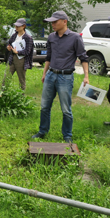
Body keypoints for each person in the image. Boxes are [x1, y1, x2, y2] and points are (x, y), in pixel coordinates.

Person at [31, 11, 89, 143]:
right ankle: (42, 131)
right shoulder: (51, 37)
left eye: (55, 22)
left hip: (66, 77)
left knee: (66, 109)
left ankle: (67, 135)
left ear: (64, 21)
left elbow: (83, 57)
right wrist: (45, 73)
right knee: (45, 106)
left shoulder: (75, 38)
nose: (52, 24)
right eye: (51, 22)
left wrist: (86, 76)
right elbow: (49, 57)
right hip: (51, 74)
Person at [4, 18, 34, 90]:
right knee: (6, 77)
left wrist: (18, 52)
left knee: (21, 80)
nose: (16, 27)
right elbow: (9, 43)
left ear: (23, 26)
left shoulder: (28, 37)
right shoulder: (14, 35)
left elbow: (28, 51)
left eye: (18, 26)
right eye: (15, 25)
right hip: (12, 58)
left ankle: (21, 97)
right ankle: (3, 94)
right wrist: (8, 47)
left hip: (21, 60)